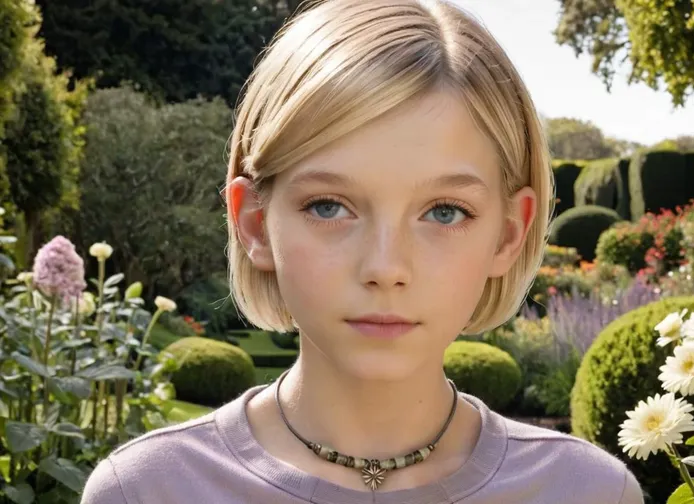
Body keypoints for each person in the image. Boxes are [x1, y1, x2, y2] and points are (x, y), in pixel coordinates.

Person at [81, 0, 645, 502]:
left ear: (508, 233)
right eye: (329, 206)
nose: (385, 268)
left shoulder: (591, 492)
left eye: (445, 212)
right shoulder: (145, 491)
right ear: (253, 223)